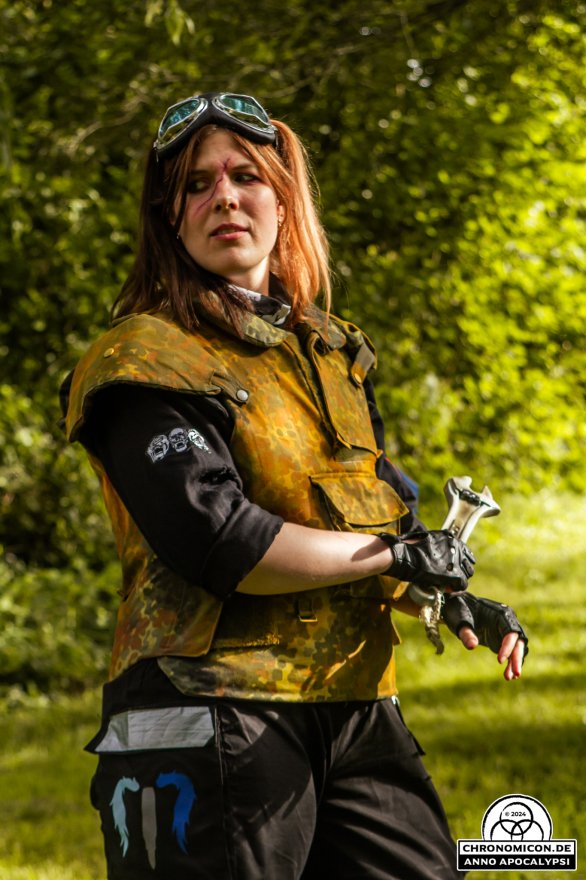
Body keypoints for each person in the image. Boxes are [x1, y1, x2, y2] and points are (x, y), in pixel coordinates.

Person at [60, 92, 528, 880]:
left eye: (245, 176)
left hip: (354, 704)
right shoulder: (141, 358)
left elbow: (362, 525)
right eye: (197, 185)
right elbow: (222, 541)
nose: (224, 198)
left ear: (283, 201)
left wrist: (439, 595)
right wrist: (395, 557)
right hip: (206, 711)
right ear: (171, 218)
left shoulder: (330, 351)